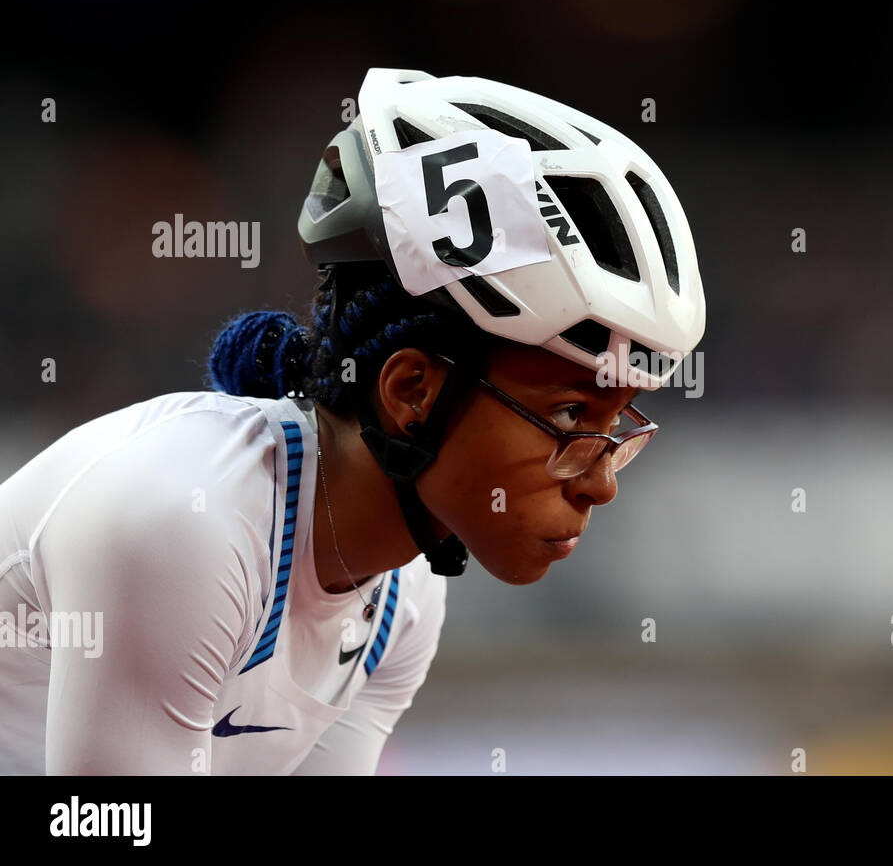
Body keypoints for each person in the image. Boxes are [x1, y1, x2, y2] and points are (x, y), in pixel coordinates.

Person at [0, 67, 705, 775]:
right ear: (412, 391)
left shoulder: (404, 594)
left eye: (616, 429)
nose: (602, 483)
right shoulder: (183, 520)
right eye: (570, 414)